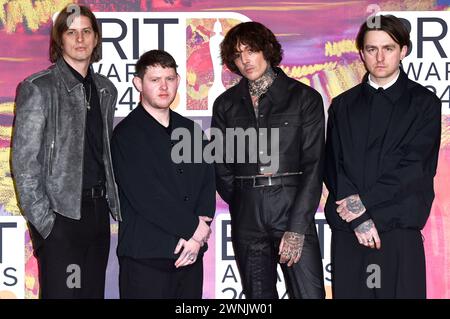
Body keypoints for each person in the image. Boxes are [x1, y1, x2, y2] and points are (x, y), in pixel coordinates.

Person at [324, 15, 441, 299]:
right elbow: (333, 166)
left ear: (403, 51)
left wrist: (363, 207)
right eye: (371, 49)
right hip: (350, 233)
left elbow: (414, 169)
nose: (379, 57)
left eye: (388, 48)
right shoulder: (342, 106)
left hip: (398, 232)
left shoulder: (425, 104)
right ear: (361, 53)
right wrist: (358, 219)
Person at [12, 5, 120, 298]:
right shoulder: (39, 88)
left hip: (98, 217)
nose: (80, 39)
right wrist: (48, 224)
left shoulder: (105, 89)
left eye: (86, 31)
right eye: (71, 32)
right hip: (61, 219)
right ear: (60, 40)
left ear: (96, 38)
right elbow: (24, 164)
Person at [211, 21, 325, 299]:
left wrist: (296, 228)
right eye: (238, 55)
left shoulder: (303, 98)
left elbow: (314, 165)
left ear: (267, 49)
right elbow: (222, 164)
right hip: (247, 210)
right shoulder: (226, 104)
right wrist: (242, 199)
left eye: (251, 50)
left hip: (291, 206)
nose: (246, 60)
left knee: (309, 295)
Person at [111, 50, 216, 299]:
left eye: (169, 78)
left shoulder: (191, 130)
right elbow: (146, 196)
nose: (163, 86)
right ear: (138, 83)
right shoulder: (126, 135)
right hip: (144, 257)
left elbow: (206, 184)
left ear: (178, 80)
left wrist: (195, 239)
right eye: (155, 79)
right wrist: (193, 228)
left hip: (190, 255)